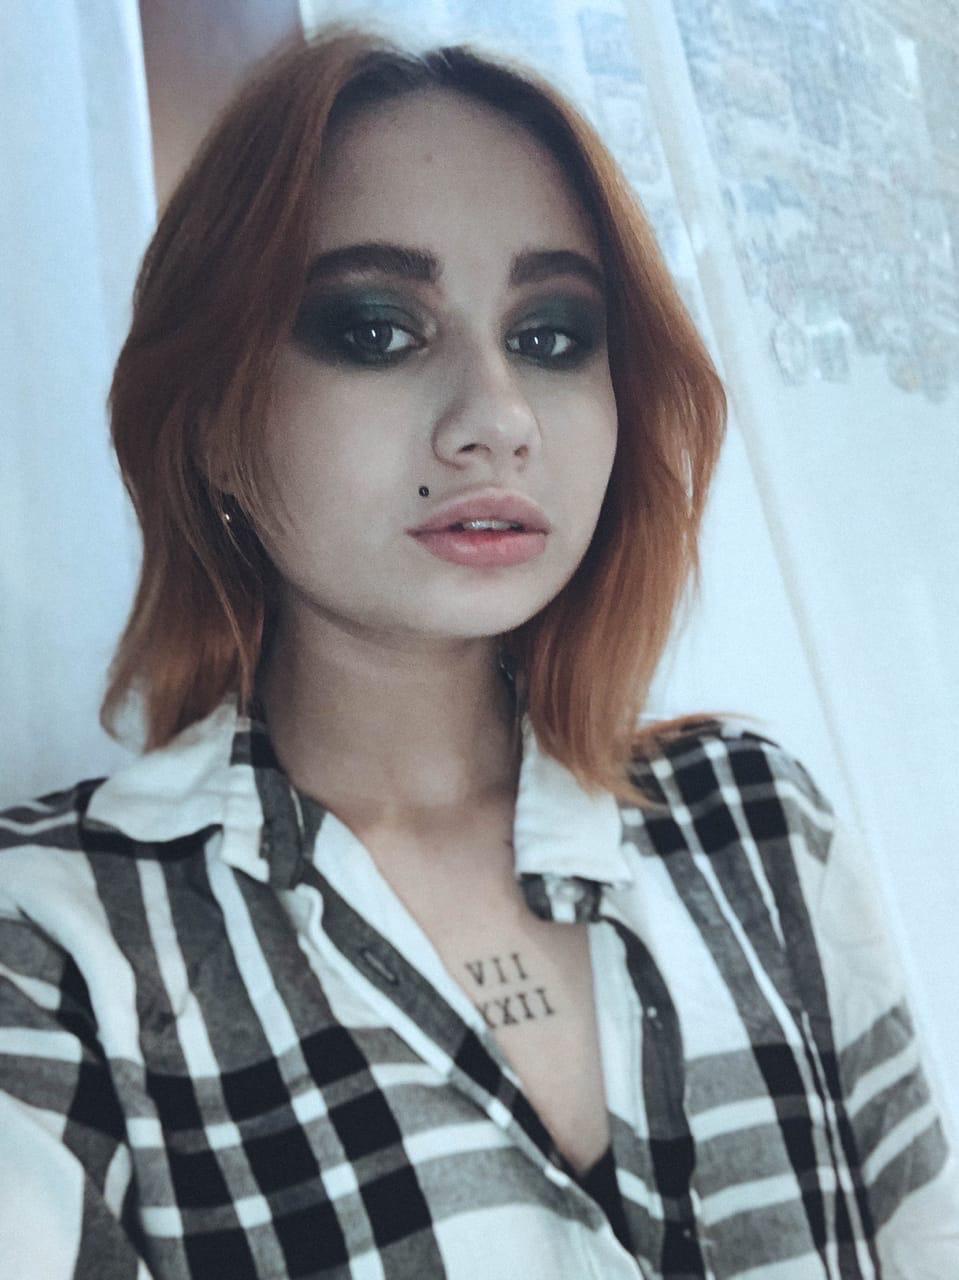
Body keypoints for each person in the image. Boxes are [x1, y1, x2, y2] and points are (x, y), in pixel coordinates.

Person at [1, 21, 956, 1280]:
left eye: (551, 336)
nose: (495, 420)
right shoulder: (53, 941)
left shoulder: (756, 822)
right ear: (218, 418)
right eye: (376, 329)